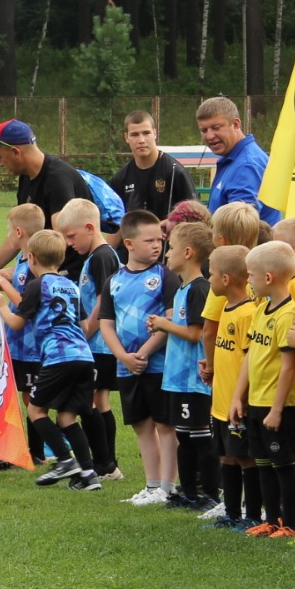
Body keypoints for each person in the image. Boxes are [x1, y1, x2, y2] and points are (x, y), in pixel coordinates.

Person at [0, 229, 103, 491]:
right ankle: (89, 475)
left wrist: (2, 305)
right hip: (84, 356)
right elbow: (84, 327)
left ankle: (65, 460)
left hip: (58, 358)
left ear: (31, 257)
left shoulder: (37, 286)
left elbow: (17, 323)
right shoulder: (71, 286)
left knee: (36, 410)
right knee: (67, 417)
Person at [101, 210, 179, 504]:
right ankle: (151, 485)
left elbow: (171, 322)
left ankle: (168, 487)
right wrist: (123, 356)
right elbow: (107, 324)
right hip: (127, 368)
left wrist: (144, 353)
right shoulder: (114, 281)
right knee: (141, 425)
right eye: (149, 241)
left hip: (158, 366)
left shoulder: (165, 277)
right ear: (129, 244)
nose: (157, 246)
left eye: (159, 240)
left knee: (165, 425)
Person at [231, 241, 295, 538]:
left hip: (278, 406)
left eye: (251, 275)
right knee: (263, 464)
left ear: (268, 277)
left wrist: (276, 409)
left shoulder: (288, 314)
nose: (248, 280)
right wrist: (238, 395)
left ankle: (291, 525)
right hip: (257, 401)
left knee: (283, 466)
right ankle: (271, 519)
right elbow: (251, 356)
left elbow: (288, 366)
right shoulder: (261, 310)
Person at [147, 221, 217, 509]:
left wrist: (165, 323)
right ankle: (188, 494)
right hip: (177, 378)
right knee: (184, 436)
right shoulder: (183, 288)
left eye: (171, 248)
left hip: (194, 379)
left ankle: (211, 495)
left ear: (188, 252)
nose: (166, 254)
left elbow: (195, 332)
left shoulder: (199, 289)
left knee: (199, 438)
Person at [55, 199, 122, 479]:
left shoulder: (103, 257)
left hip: (100, 344)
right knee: (98, 400)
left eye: (71, 236)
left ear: (91, 228)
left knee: (91, 402)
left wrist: (85, 333)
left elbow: (102, 301)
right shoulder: (94, 257)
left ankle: (106, 464)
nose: (69, 243)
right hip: (98, 343)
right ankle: (106, 463)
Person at [0, 119, 93, 274]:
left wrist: (18, 272)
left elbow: (61, 238)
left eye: (0, 157)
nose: (0, 163)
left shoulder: (57, 179)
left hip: (67, 277)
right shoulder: (26, 177)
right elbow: (18, 232)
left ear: (15, 152)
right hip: (41, 271)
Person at [206, 245, 259, 529]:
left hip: (238, 404)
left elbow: (250, 361)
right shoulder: (227, 307)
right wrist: (212, 368)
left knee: (245, 457)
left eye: (212, 274)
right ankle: (231, 513)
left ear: (226, 279)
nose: (209, 279)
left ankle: (251, 515)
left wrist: (242, 397)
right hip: (220, 402)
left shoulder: (247, 313)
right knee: (226, 455)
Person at [196, 96, 278, 222]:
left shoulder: (246, 166)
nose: (210, 136)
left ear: (235, 124)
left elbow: (239, 228)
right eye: (204, 130)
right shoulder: (235, 158)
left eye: (216, 128)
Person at [110, 110, 196, 219]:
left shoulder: (176, 172)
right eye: (134, 135)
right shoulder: (120, 178)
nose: (141, 140)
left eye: (146, 133)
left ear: (155, 133)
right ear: (126, 137)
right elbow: (116, 223)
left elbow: (194, 219)